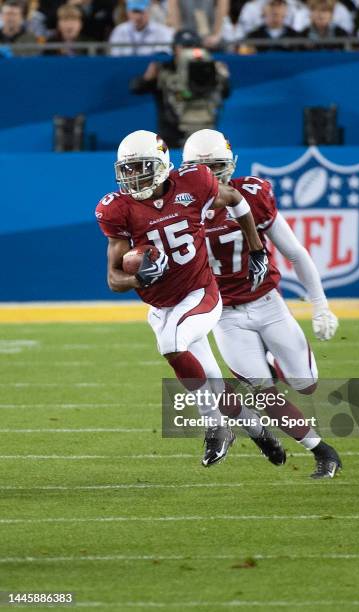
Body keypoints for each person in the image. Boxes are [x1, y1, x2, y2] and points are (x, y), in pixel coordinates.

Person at [95, 129, 284, 468]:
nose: (134, 176)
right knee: (212, 382)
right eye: (128, 169)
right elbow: (113, 279)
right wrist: (138, 277)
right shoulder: (118, 209)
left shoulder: (193, 183)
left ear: (163, 164)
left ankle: (216, 428)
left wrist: (257, 250)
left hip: (201, 293)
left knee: (171, 344)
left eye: (141, 167)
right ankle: (261, 434)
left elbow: (237, 201)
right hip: (162, 306)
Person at [182, 129, 342, 479]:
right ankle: (323, 452)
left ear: (231, 165)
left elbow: (294, 251)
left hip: (267, 302)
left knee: (306, 384)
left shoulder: (251, 194)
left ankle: (275, 362)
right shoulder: (180, 209)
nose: (211, 177)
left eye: (218, 168)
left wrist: (320, 304)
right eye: (203, 170)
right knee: (263, 395)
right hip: (224, 315)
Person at [129, 29, 230, 147]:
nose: (188, 50)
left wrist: (223, 77)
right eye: (183, 46)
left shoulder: (209, 68)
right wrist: (147, 78)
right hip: (171, 134)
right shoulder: (165, 70)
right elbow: (135, 88)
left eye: (192, 46)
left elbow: (225, 92)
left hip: (204, 130)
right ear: (174, 48)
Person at [109, 0, 173, 56]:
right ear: (128, 12)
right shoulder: (119, 31)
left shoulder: (161, 31)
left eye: (141, 12)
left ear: (148, 11)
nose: (138, 17)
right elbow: (115, 57)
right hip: (125, 68)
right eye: (134, 12)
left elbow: (164, 57)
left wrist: (154, 64)